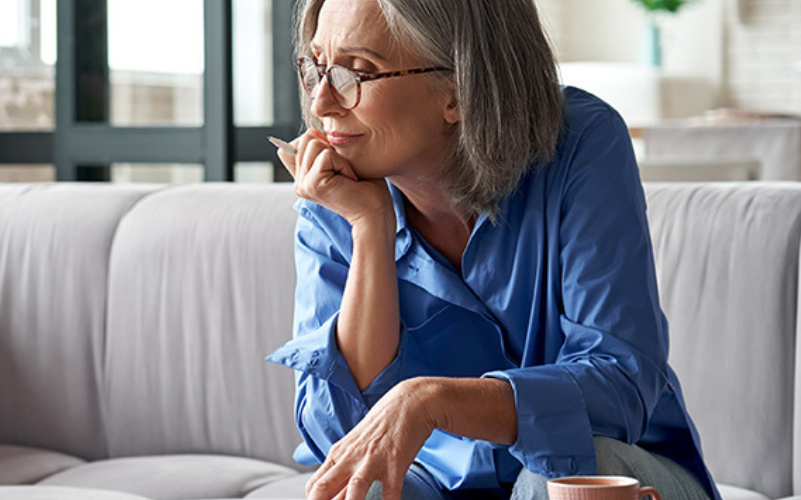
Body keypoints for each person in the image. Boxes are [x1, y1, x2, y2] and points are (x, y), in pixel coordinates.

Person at [262, 1, 720, 500]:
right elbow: (340, 439)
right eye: (316, 68)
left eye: (357, 72)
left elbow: (620, 386)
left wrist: (431, 400)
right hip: (440, 483)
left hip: (614, 465)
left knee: (561, 480)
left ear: (458, 90)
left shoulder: (582, 143)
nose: (323, 103)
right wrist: (369, 228)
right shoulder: (336, 193)